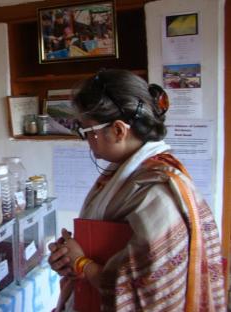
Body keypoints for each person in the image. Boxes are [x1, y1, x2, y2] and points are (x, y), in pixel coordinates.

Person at [48, 69, 225, 311]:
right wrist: (69, 256)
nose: (85, 140)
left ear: (119, 130)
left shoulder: (158, 191)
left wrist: (81, 264)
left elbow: (149, 292)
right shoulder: (127, 173)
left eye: (87, 131)